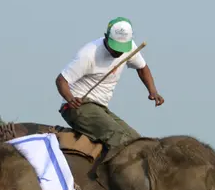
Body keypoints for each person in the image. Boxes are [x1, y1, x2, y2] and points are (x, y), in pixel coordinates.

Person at [55, 17, 164, 150]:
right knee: (119, 138)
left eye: (121, 48)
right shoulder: (88, 54)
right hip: (78, 106)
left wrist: (153, 91)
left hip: (101, 108)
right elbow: (61, 80)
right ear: (106, 37)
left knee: (137, 142)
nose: (118, 52)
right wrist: (70, 99)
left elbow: (142, 68)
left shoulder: (130, 48)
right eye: (115, 47)